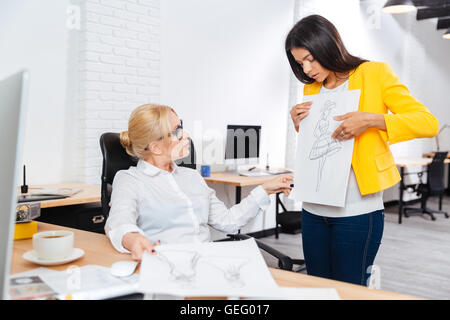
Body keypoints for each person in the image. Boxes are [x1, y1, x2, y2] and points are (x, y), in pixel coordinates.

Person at [285, 15, 439, 286]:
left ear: (328, 45)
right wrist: (299, 124)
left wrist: (371, 120)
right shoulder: (311, 87)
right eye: (300, 63)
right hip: (313, 209)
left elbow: (428, 123)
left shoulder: (373, 73)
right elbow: (324, 139)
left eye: (310, 58)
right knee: (318, 288)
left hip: (356, 211)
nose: (307, 69)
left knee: (349, 288)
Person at [104, 104, 293, 260]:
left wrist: (264, 189)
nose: (185, 135)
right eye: (177, 131)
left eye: (182, 126)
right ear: (155, 147)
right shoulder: (130, 180)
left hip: (207, 263)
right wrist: (133, 239)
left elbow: (228, 222)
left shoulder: (192, 177)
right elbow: (119, 224)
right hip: (167, 266)